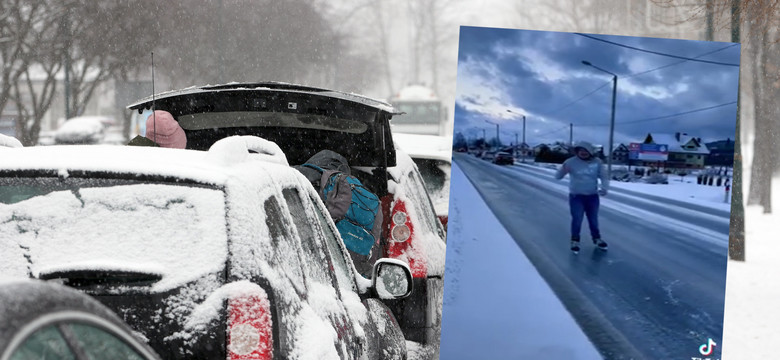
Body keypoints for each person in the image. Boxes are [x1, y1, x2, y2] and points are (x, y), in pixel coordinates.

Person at [555, 141, 609, 252]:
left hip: (592, 196)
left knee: (593, 219)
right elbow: (557, 177)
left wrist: (604, 187)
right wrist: (563, 170)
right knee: (577, 219)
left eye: (585, 151)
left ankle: (597, 239)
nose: (583, 153)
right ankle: (575, 240)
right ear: (577, 152)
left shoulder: (597, 162)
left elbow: (604, 176)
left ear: (590, 151)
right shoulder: (570, 162)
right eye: (581, 151)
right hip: (576, 197)